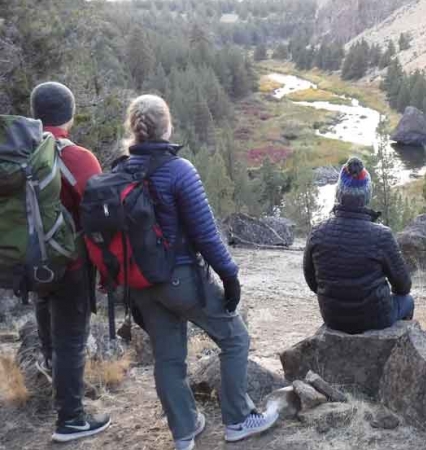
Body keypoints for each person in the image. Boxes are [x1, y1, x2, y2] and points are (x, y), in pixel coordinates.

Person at [122, 95, 278, 450]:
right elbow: (206, 233)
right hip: (180, 279)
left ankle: (184, 433)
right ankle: (238, 420)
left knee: (168, 357)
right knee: (235, 338)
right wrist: (230, 276)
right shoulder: (179, 170)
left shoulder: (118, 170)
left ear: (134, 129)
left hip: (142, 285)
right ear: (167, 126)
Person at [28, 82, 110, 443]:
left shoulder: (19, 151)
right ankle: (71, 419)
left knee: (47, 325)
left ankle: (59, 393)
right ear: (70, 114)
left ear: (35, 113)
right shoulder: (77, 157)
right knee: (72, 340)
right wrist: (109, 267)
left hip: (30, 263)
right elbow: (99, 220)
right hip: (71, 266)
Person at [304, 157, 414, 334]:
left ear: (339, 193)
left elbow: (312, 282)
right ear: (367, 195)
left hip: (333, 317)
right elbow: (403, 286)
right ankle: (400, 348)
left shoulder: (317, 232)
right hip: (377, 318)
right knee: (408, 301)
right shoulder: (382, 235)